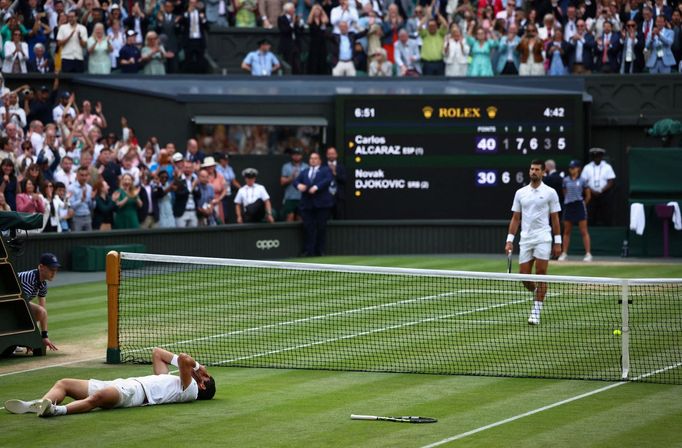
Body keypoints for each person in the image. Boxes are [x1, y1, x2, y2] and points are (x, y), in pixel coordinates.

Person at [5, 347, 215, 417]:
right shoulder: (171, 379)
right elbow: (158, 353)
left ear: (202, 385)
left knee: (97, 398)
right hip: (123, 382)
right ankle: (41, 405)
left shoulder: (190, 390)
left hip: (134, 394)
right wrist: (195, 368)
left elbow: (185, 359)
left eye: (205, 377)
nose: (202, 373)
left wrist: (198, 369)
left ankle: (56, 411)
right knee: (64, 384)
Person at [504, 159, 562, 325]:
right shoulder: (520, 193)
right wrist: (509, 240)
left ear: (543, 172)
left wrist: (557, 242)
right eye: (531, 169)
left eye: (537, 169)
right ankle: (539, 291)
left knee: (541, 273)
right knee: (524, 277)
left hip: (543, 237)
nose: (533, 172)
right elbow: (515, 218)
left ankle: (535, 312)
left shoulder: (550, 193)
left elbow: (555, 218)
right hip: (526, 239)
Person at [294, 152, 335, 256]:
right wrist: (299, 186)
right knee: (308, 228)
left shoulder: (326, 170)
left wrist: (316, 187)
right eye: (311, 158)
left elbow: (328, 180)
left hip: (322, 205)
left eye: (315, 158)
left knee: (321, 227)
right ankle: (309, 251)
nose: (313, 160)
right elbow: (296, 181)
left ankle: (320, 250)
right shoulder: (304, 171)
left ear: (320, 160)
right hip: (307, 205)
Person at [17, 253, 61, 351]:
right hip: (7, 303)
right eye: (51, 269)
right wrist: (31, 338)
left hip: (15, 304)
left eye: (55, 269)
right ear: (41, 267)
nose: (54, 272)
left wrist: (44, 336)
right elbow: (22, 309)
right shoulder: (28, 279)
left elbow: (42, 312)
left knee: (41, 311)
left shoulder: (43, 284)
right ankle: (16, 341)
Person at [558, 160, 592, 262]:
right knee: (567, 231)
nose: (571, 170)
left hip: (579, 206)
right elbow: (565, 193)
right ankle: (564, 253)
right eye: (570, 168)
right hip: (569, 206)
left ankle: (588, 254)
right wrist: (569, 200)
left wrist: (583, 204)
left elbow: (588, 195)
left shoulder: (583, 180)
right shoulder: (565, 180)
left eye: (573, 168)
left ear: (578, 168)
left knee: (584, 231)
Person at [581, 147, 616, 226]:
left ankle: (607, 229)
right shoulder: (587, 167)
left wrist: (602, 190)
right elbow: (583, 181)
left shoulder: (607, 167)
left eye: (598, 156)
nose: (597, 158)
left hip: (604, 193)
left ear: (601, 157)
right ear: (592, 157)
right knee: (591, 213)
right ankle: (591, 229)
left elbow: (611, 181)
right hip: (591, 194)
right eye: (595, 156)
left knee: (606, 212)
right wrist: (592, 191)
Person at [280, 147, 308, 222]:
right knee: (289, 217)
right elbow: (282, 182)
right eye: (295, 154)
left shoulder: (306, 167)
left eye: (298, 154)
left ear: (301, 156)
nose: (296, 156)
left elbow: (309, 182)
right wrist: (291, 177)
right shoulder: (286, 166)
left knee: (301, 218)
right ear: (292, 156)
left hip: (302, 197)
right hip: (290, 197)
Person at [67, 165, 95, 231]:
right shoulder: (71, 188)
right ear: (77, 175)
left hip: (87, 216)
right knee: (77, 240)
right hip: (76, 217)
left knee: (89, 240)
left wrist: (93, 199)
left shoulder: (89, 188)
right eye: (82, 175)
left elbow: (91, 206)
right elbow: (70, 206)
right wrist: (81, 200)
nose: (84, 177)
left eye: (86, 175)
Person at [325, 146, 345, 219]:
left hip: (338, 197)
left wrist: (335, 173)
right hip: (325, 197)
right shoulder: (323, 167)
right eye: (329, 153)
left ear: (336, 155)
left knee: (339, 216)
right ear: (327, 155)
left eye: (333, 153)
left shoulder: (341, 166)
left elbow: (344, 179)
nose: (331, 155)